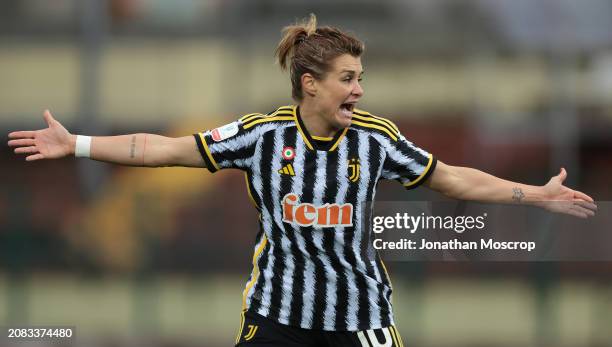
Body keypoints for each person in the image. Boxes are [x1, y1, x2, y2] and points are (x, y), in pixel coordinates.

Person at [8, 14, 596, 347]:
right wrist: (76, 143)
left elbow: (453, 180)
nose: (359, 90)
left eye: (361, 77)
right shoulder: (262, 136)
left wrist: (535, 194)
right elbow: (160, 148)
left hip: (358, 320)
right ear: (310, 83)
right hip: (277, 319)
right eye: (348, 78)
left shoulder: (375, 138)